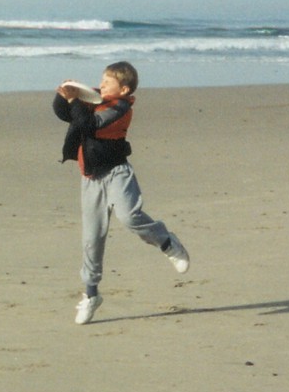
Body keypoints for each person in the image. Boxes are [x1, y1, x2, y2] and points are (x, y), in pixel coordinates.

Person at [53, 61, 189, 325]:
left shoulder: (120, 108)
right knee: (91, 239)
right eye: (101, 79)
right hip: (90, 178)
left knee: (129, 217)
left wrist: (74, 103)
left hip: (117, 173)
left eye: (108, 82)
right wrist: (62, 96)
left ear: (124, 89)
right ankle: (91, 295)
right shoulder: (93, 97)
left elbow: (89, 125)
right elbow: (65, 114)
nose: (102, 84)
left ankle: (167, 242)